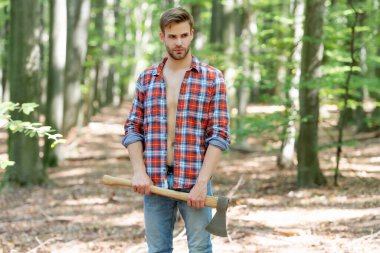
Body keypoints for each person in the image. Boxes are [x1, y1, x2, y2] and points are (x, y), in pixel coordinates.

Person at [122, 7, 230, 253]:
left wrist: (202, 184)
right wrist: (139, 172)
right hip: (155, 180)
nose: (178, 42)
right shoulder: (147, 79)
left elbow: (219, 134)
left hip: (194, 180)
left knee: (200, 248)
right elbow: (132, 127)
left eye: (183, 35)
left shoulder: (212, 78)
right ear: (162, 37)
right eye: (172, 36)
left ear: (192, 34)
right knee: (157, 250)